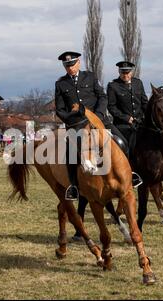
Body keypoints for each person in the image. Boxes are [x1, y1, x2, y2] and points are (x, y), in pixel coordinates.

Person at [55, 51, 127, 201]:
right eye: (66, 66)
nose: (70, 68)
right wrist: (71, 119)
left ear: (79, 63)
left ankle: (130, 175)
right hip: (76, 126)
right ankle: (74, 186)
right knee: (70, 153)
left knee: (122, 142)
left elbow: (102, 96)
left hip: (99, 121)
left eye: (72, 64)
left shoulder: (90, 76)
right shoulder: (61, 84)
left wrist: (99, 115)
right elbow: (60, 109)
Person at [107, 61, 148, 156]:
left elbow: (144, 103)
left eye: (127, 72)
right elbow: (111, 107)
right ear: (119, 72)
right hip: (123, 126)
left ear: (132, 72)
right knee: (128, 147)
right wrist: (126, 118)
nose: (125, 75)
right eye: (123, 72)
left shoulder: (138, 83)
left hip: (140, 123)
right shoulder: (113, 86)